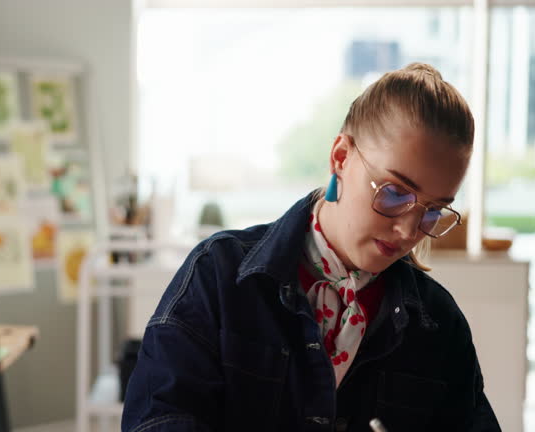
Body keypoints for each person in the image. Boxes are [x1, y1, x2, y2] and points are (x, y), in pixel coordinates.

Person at [121, 63, 501, 432]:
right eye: (394, 193)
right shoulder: (218, 276)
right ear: (341, 157)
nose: (407, 230)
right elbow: (159, 418)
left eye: (432, 211)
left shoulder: (439, 325)